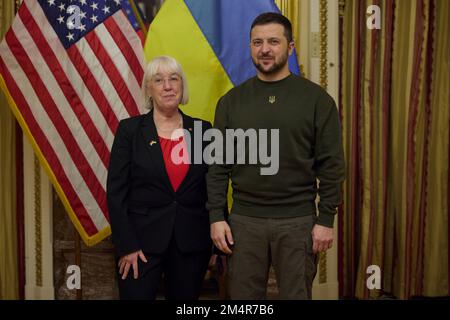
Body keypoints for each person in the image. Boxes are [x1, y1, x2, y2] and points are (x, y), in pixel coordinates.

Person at [207, 12, 345, 299]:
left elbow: (331, 165)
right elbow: (218, 166)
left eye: (273, 41)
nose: (265, 49)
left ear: (290, 47)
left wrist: (326, 219)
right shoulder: (231, 102)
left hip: (299, 222)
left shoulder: (317, 100)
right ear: (250, 47)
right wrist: (216, 216)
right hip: (244, 221)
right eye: (257, 42)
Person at [107, 56, 212, 300]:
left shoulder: (203, 130)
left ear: (182, 86)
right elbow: (116, 193)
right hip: (140, 246)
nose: (168, 86)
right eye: (159, 80)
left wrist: (217, 241)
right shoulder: (130, 131)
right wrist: (127, 245)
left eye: (174, 79)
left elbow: (212, 187)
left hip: (191, 244)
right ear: (149, 89)